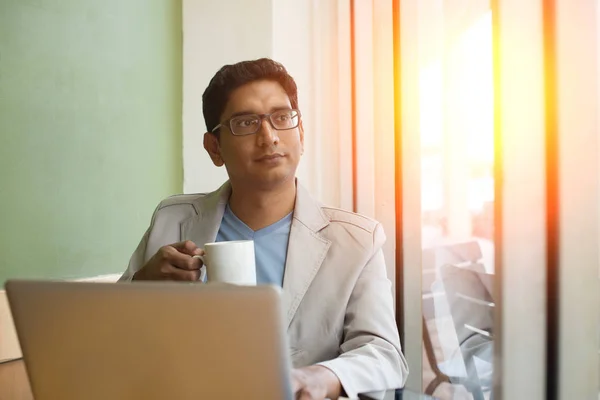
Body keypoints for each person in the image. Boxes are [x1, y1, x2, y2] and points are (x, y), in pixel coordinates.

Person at [119, 58, 408, 399]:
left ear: (300, 134)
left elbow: (384, 354)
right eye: (245, 122)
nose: (268, 137)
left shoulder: (357, 240)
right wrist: (142, 287)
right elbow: (108, 337)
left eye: (282, 118)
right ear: (215, 148)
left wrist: (320, 377)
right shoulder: (172, 220)